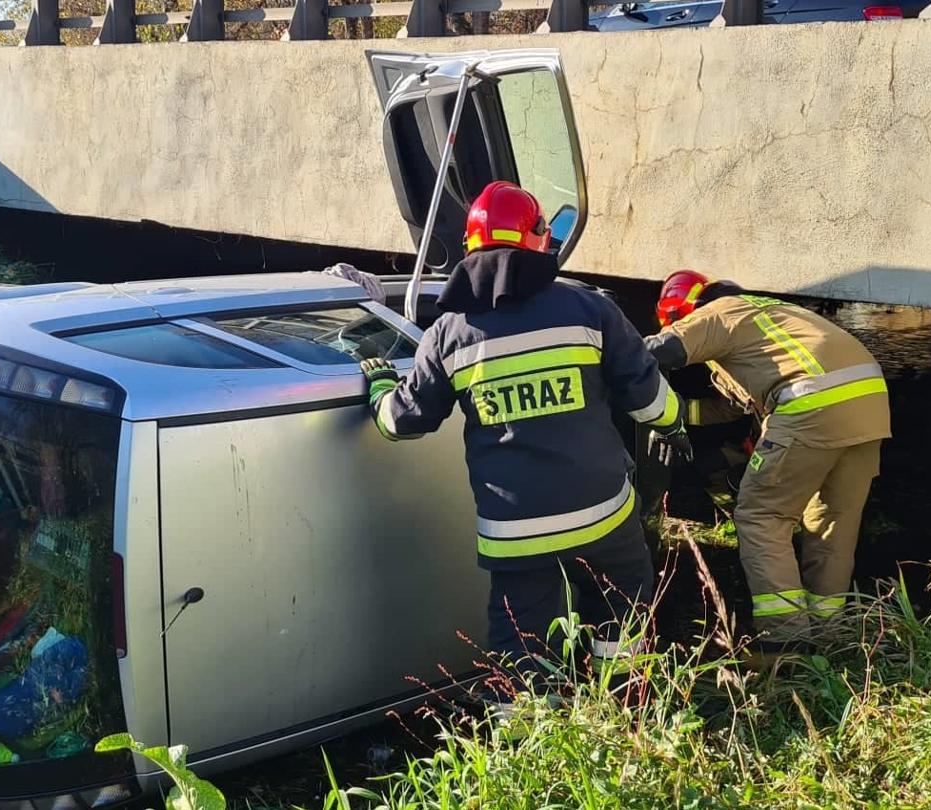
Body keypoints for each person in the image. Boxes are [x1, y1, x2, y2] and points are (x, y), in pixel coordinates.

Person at [358, 181, 691, 704]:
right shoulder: (590, 310)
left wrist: (378, 387)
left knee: (523, 652)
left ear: (471, 248)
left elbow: (402, 423)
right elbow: (647, 398)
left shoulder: (448, 334)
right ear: (539, 240)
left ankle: (534, 754)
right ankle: (624, 721)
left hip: (515, 533)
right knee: (622, 618)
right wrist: (673, 426)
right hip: (603, 514)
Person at [646, 270, 890, 649]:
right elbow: (731, 407)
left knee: (761, 517)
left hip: (811, 404)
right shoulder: (767, 316)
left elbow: (659, 350)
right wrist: (678, 412)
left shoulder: (719, 312)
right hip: (869, 404)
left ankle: (786, 643)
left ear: (685, 311)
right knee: (831, 524)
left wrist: (622, 375)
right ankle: (830, 637)